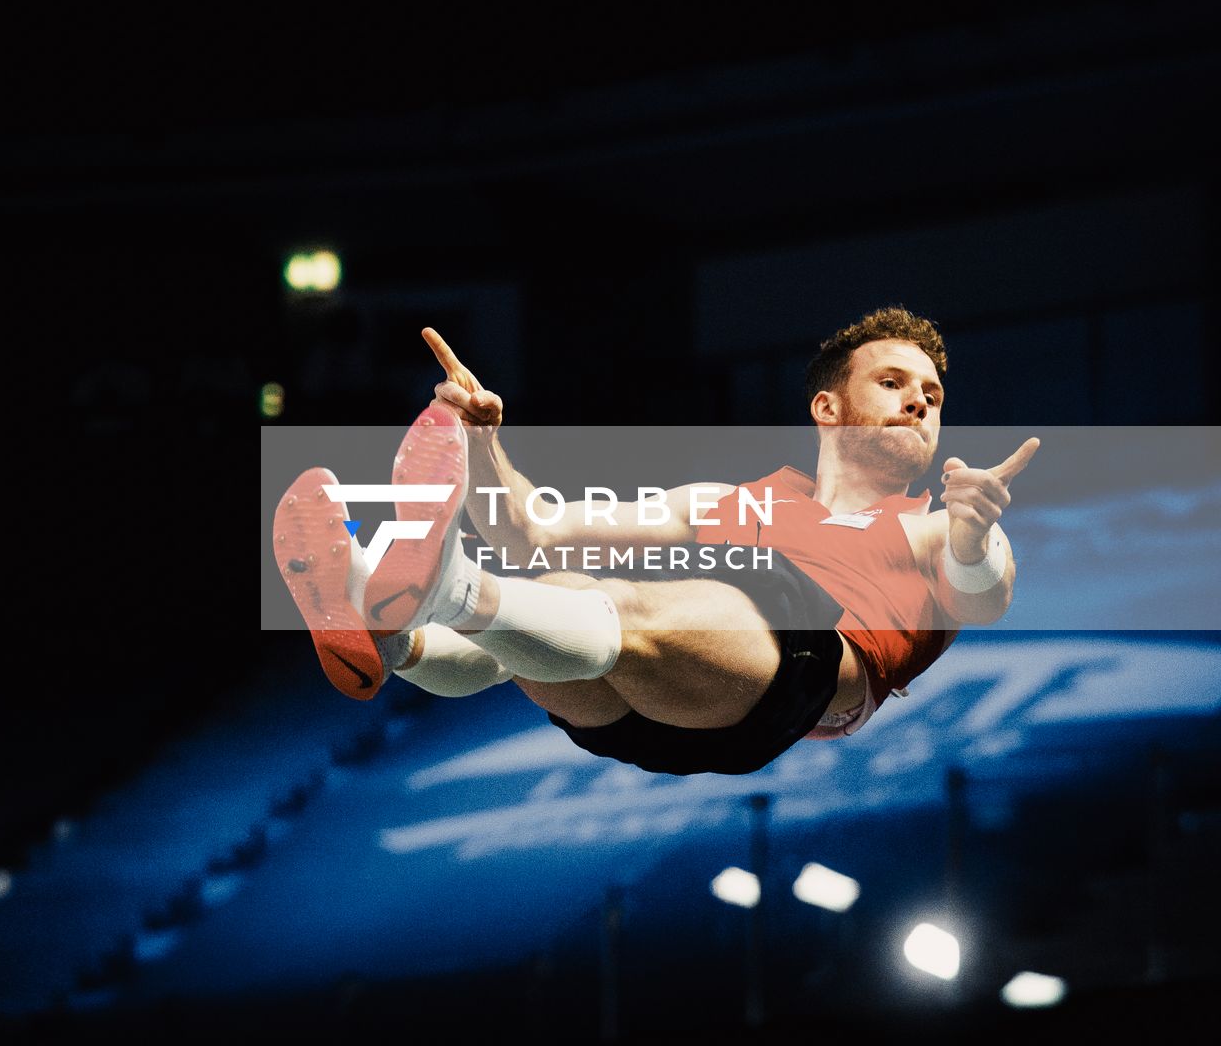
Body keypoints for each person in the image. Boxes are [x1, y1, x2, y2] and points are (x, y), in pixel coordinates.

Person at [273, 305, 1039, 776]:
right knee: (564, 594)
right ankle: (392, 632)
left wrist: (973, 538)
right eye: (895, 384)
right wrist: (481, 443)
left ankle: (427, 586)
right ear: (828, 408)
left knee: (674, 593)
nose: (919, 403)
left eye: (933, 396)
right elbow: (533, 529)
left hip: (797, 688)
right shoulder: (725, 504)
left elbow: (986, 591)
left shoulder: (943, 524)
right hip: (643, 725)